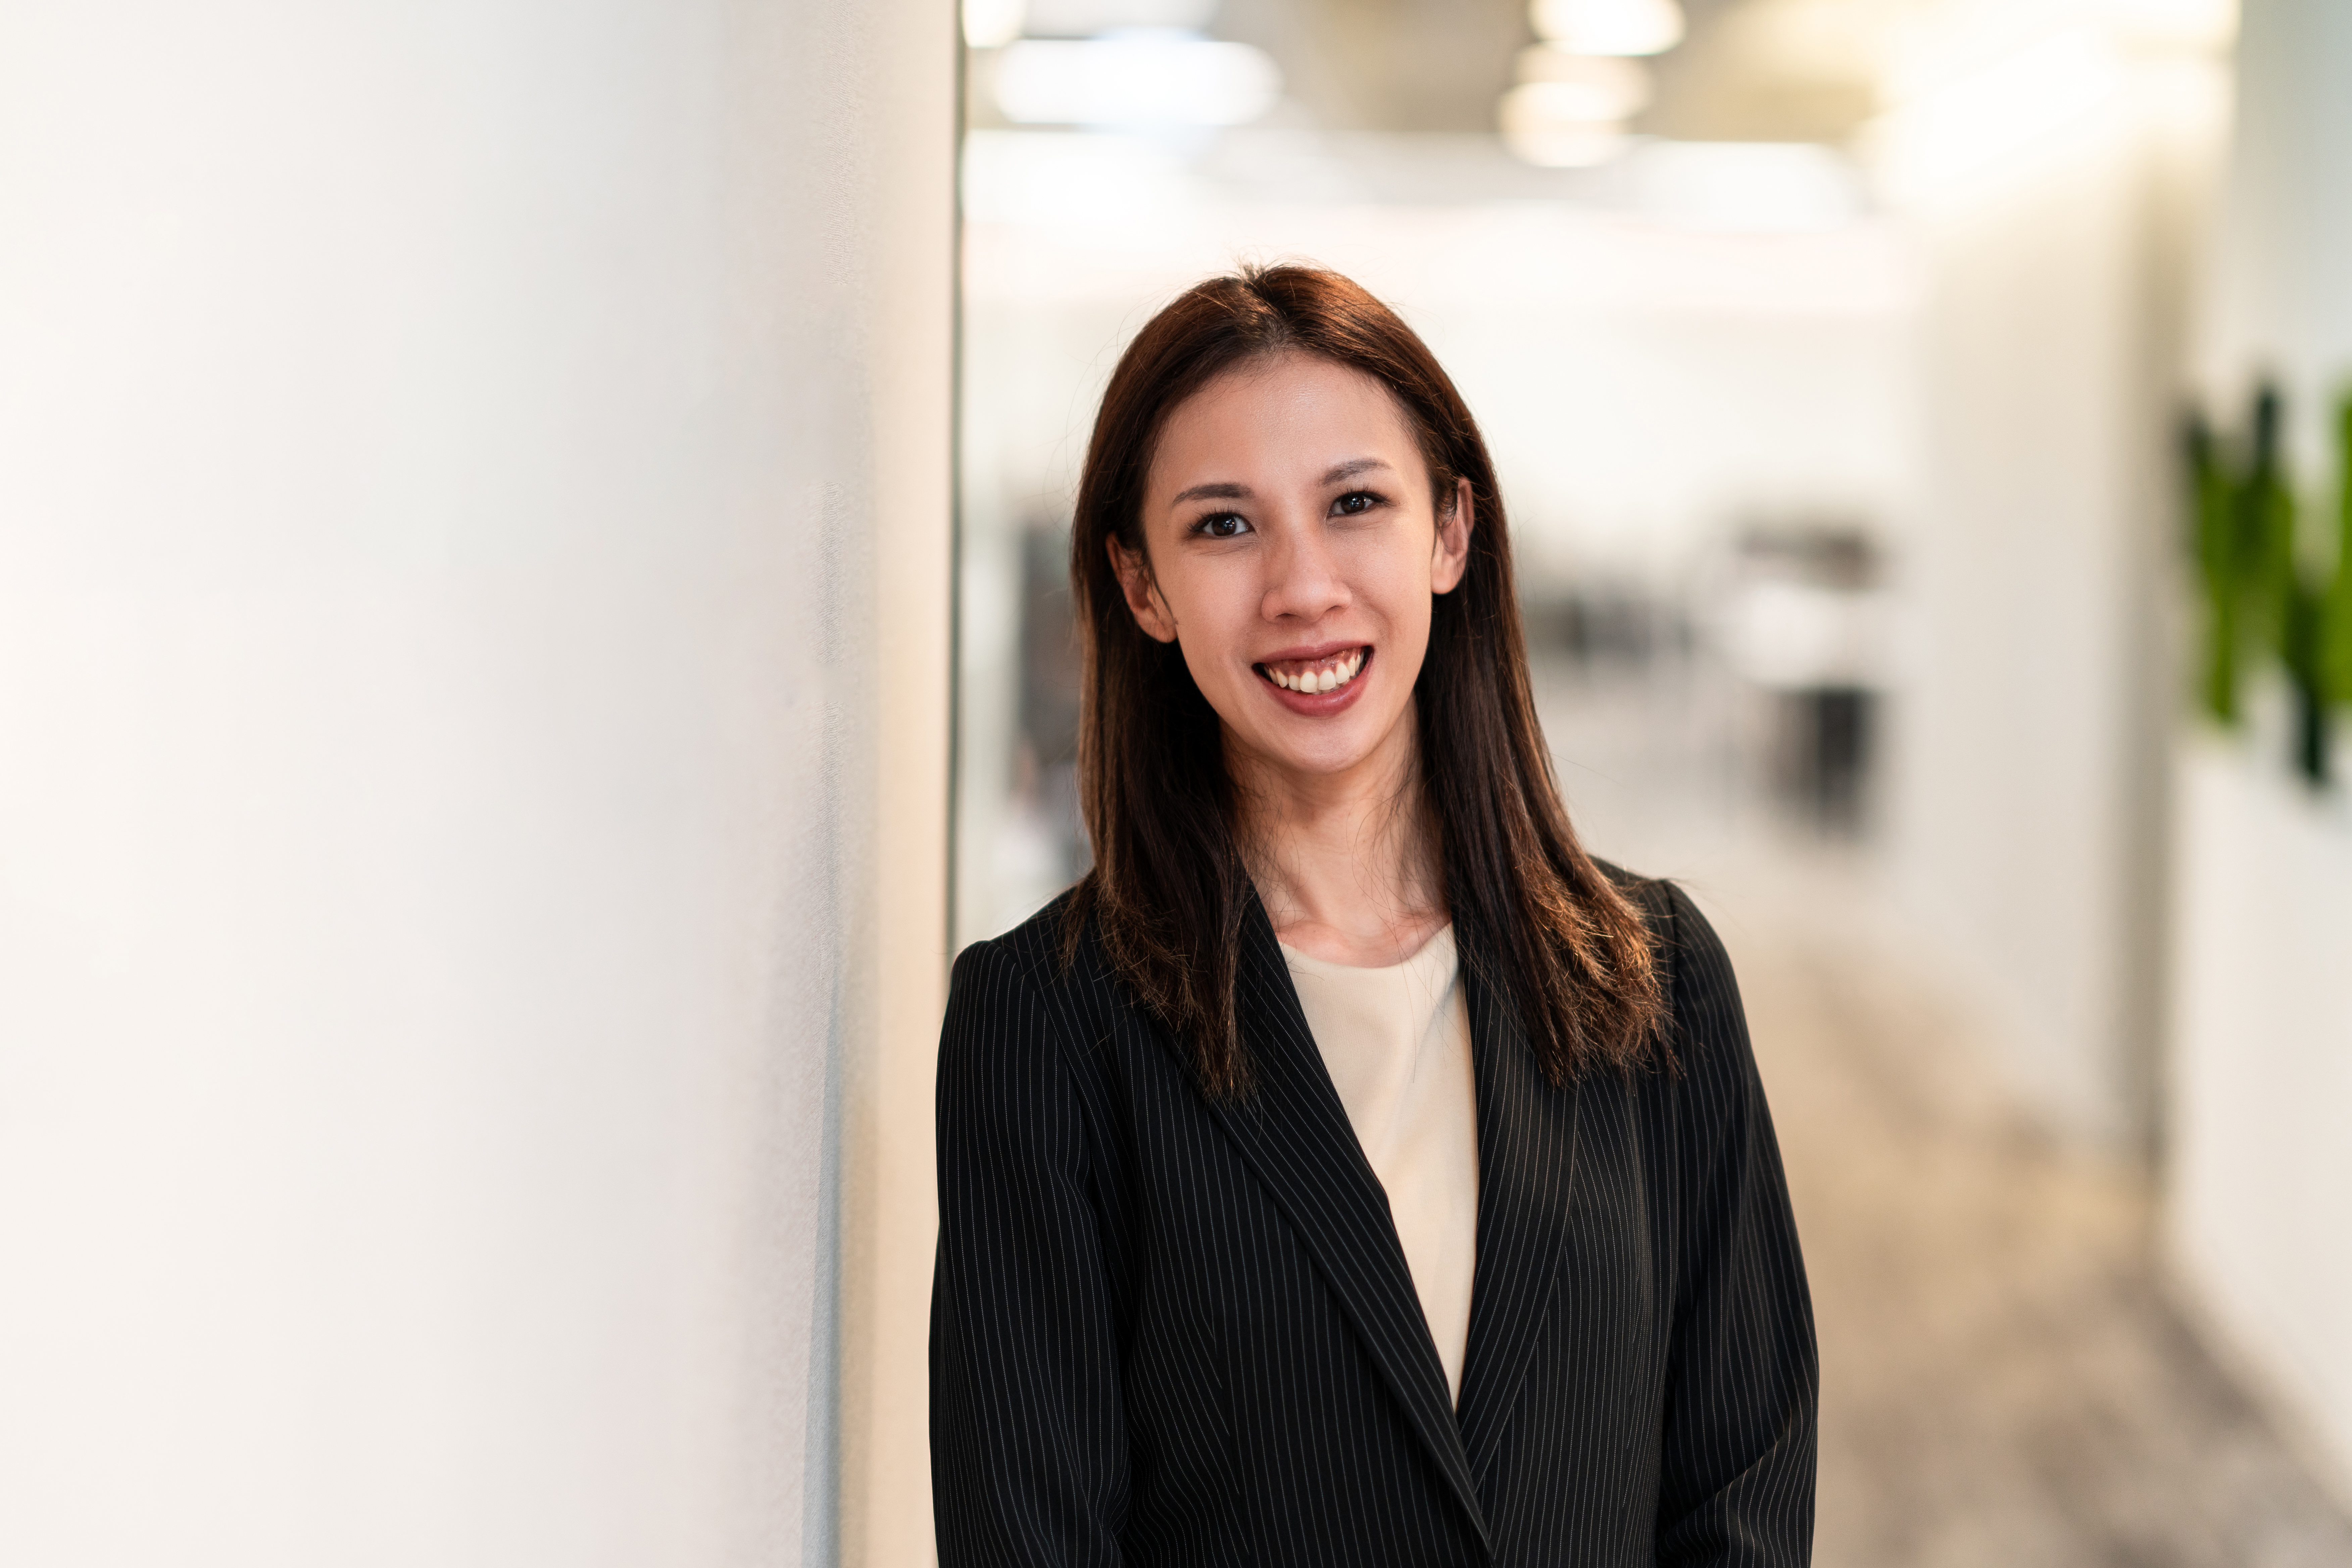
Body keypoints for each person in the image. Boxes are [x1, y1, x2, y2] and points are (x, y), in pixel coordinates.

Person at [931, 264, 1816, 1567]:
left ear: (1451, 533)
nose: (1303, 587)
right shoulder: (1048, 1029)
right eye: (1224, 527)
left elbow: (1742, 1488)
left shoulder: (1659, 981)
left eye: (1355, 504)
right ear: (1142, 585)